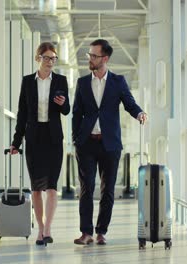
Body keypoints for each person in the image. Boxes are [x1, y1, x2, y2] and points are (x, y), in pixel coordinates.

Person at [72, 39, 147, 245]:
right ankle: (86, 232)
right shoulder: (82, 83)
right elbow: (77, 113)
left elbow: (130, 104)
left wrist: (139, 113)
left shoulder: (118, 82)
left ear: (105, 58)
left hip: (110, 144)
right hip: (86, 143)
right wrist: (76, 139)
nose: (90, 59)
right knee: (86, 188)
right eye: (89, 55)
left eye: (94, 56)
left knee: (108, 190)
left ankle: (101, 231)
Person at [10, 42, 70, 246]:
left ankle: (47, 229)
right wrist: (16, 142)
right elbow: (22, 113)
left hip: (53, 138)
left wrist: (63, 104)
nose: (50, 62)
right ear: (38, 59)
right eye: (46, 58)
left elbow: (67, 110)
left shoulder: (61, 80)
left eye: (53, 58)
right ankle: (39, 227)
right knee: (36, 188)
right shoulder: (27, 82)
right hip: (34, 138)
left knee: (52, 186)